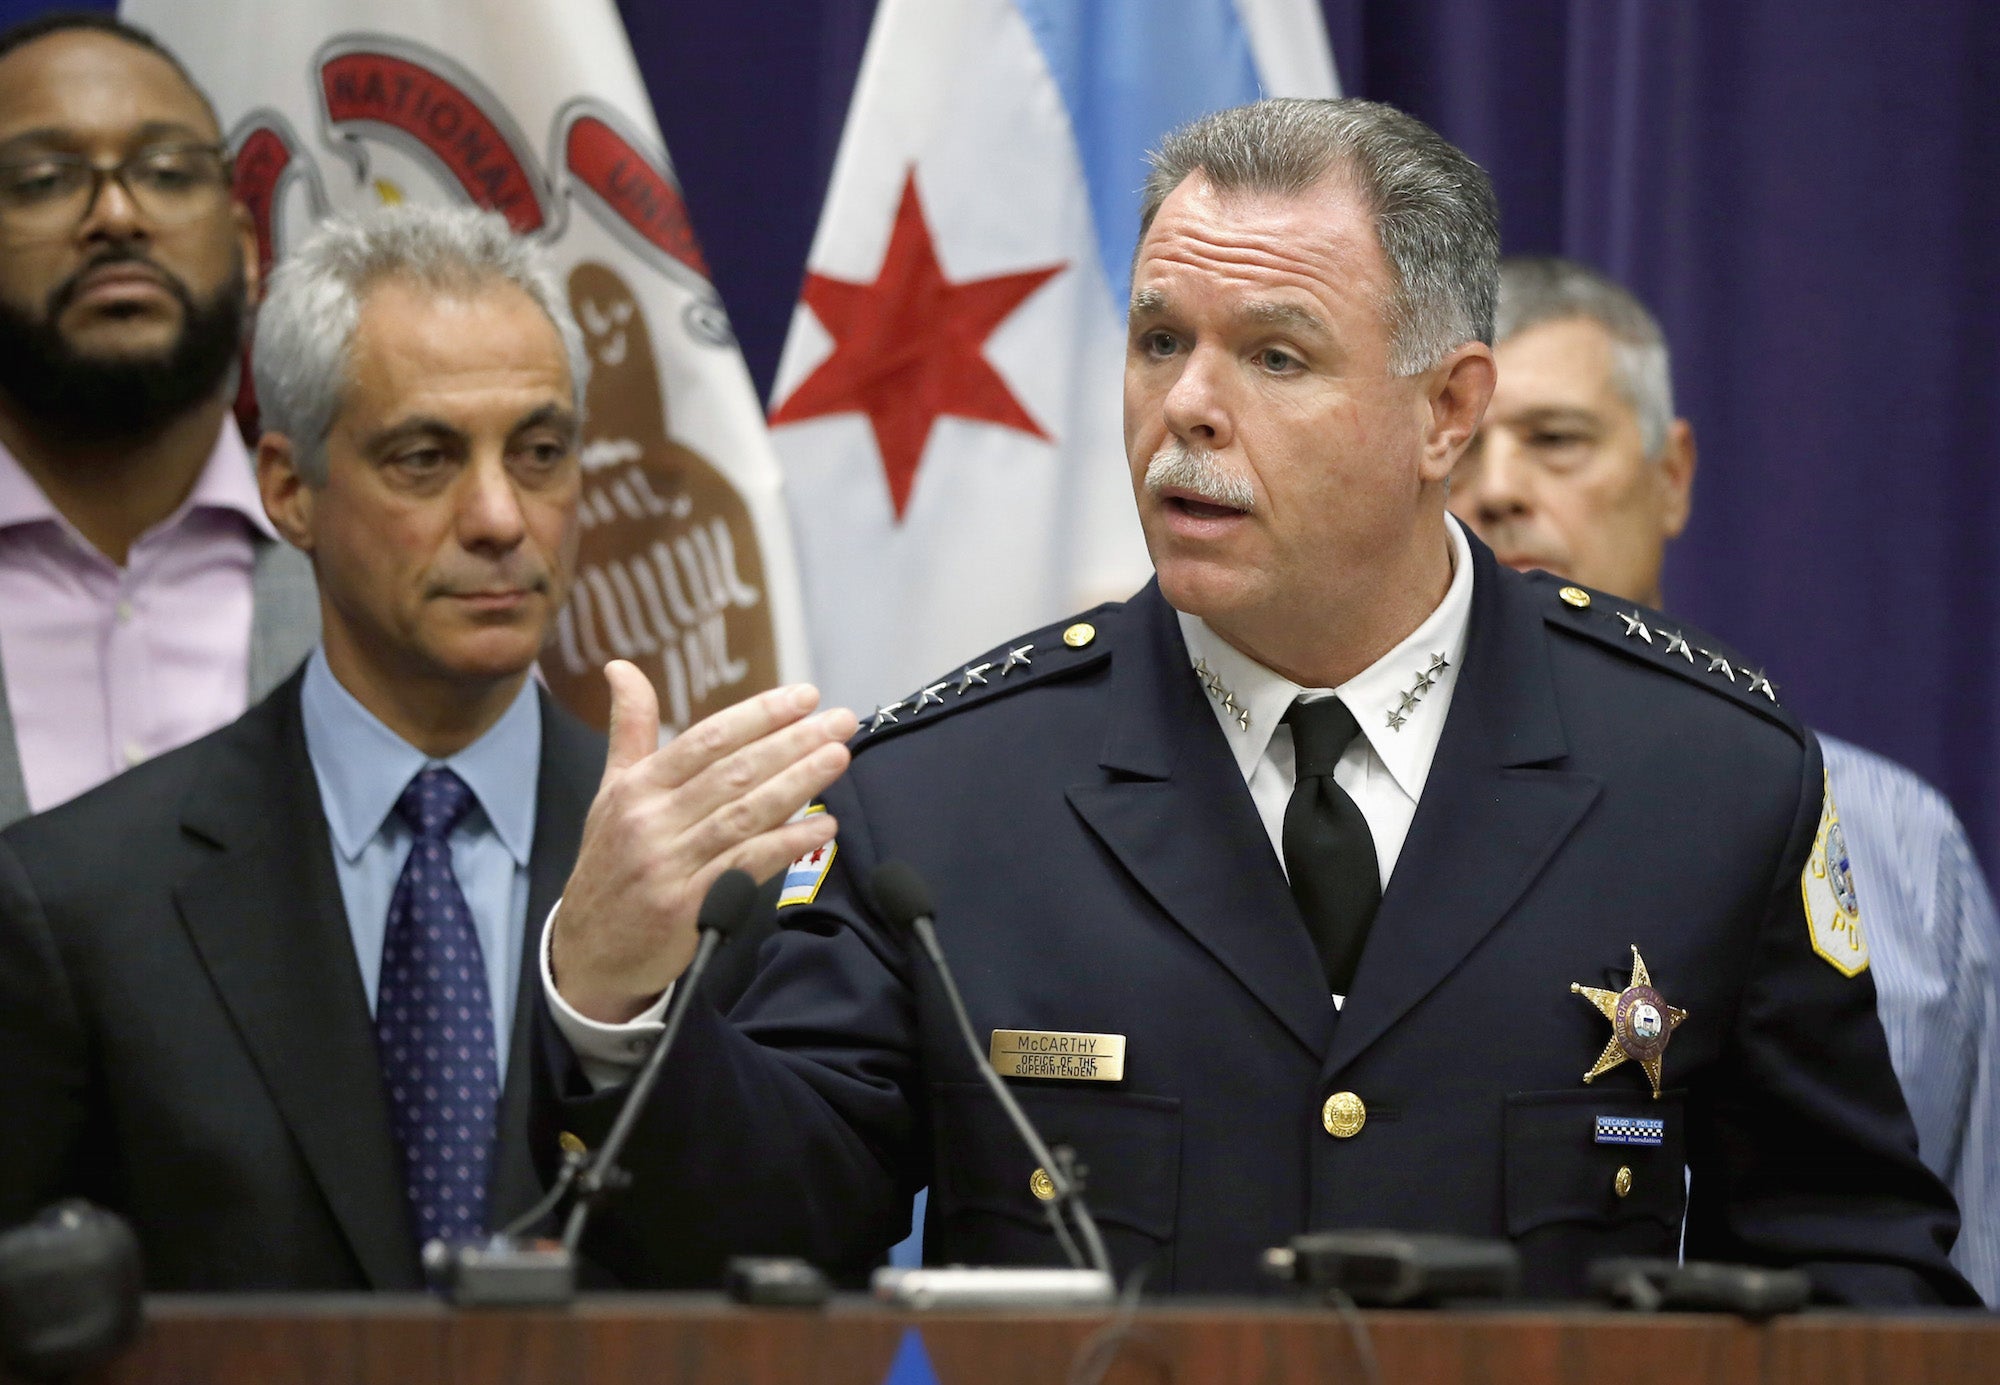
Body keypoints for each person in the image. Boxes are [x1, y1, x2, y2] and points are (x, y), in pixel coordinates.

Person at [539, 98, 1975, 1304]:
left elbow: (1859, 1278)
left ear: (1446, 412)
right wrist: (612, 995)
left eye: (1274, 356)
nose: (1187, 409)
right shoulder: (943, 792)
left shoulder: (1706, 774)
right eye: (1161, 340)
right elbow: (756, 1238)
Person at [0, 201, 851, 1292]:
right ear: (288, 489)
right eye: (424, 457)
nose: (499, 515)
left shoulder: (731, 870)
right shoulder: (79, 903)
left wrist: (622, 1010)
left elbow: (804, 1261)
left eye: (540, 452)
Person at [1448, 254, 1999, 1305]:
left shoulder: (1891, 836)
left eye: (1554, 440)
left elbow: (1960, 1269)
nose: (1498, 489)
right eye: (1460, 453)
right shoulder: (1357, 813)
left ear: (1670, 474)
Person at [0, 13, 319, 829]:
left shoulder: (384, 574)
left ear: (249, 252)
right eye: (41, 179)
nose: (115, 214)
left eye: (169, 171)